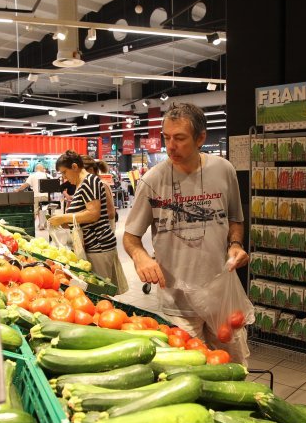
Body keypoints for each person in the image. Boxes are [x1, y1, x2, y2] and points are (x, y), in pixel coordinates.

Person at [123, 102, 250, 364]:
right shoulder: (152, 180)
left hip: (220, 296)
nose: (171, 146)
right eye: (166, 138)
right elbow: (130, 236)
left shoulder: (224, 170)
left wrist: (235, 244)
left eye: (180, 138)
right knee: (190, 372)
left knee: (234, 368)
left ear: (201, 137)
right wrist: (141, 257)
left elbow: (236, 219)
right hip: (176, 302)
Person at [48, 150, 129, 294]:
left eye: (64, 172)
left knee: (101, 292)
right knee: (98, 291)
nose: (64, 178)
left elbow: (93, 214)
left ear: (74, 167)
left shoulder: (89, 181)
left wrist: (64, 218)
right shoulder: (82, 184)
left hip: (98, 245)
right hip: (92, 246)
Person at [81, 155, 117, 227]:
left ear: (91, 170)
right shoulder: (90, 185)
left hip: (103, 231)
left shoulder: (102, 185)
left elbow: (111, 213)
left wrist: (86, 215)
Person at [15, 163, 49, 229]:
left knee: (34, 211)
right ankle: (42, 225)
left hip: (35, 196)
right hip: (45, 195)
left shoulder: (32, 175)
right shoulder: (46, 175)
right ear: (42, 168)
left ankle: (31, 225)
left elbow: (25, 185)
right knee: (43, 210)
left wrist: (18, 190)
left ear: (36, 169)